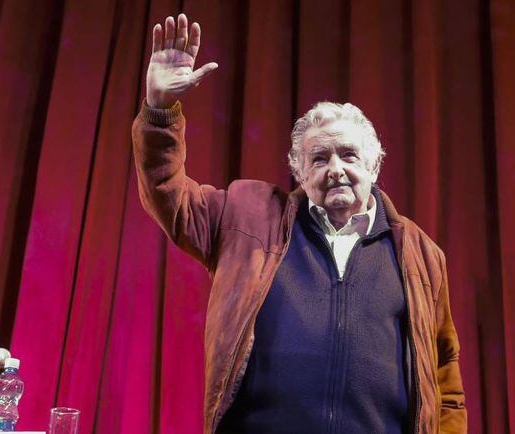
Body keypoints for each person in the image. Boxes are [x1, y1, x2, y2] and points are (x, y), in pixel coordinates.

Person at [132, 13, 466, 434]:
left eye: (349, 155)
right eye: (319, 158)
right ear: (299, 171)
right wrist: (159, 111)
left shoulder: (421, 253)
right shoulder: (247, 215)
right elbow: (169, 194)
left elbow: (445, 375)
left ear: (374, 165)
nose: (336, 169)